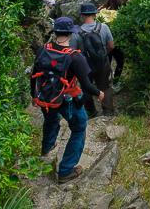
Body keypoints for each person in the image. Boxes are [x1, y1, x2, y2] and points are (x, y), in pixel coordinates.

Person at [31, 16, 104, 183]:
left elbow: (34, 76)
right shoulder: (75, 56)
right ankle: (65, 170)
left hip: (46, 96)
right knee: (78, 129)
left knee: (50, 119)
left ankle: (47, 147)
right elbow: (86, 85)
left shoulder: (43, 49)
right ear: (71, 34)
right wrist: (99, 93)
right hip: (68, 99)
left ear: (55, 32)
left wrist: (34, 96)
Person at [72, 3, 115, 117]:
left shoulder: (76, 32)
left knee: (86, 88)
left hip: (84, 65)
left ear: (82, 15)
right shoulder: (104, 27)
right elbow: (111, 46)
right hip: (102, 62)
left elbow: (72, 52)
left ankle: (91, 111)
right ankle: (108, 111)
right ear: (94, 14)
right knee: (104, 86)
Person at [98, 0, 125, 90]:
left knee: (107, 62)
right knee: (120, 62)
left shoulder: (101, 13)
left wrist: (98, 10)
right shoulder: (119, 14)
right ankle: (115, 83)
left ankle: (105, 82)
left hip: (103, 42)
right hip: (116, 42)